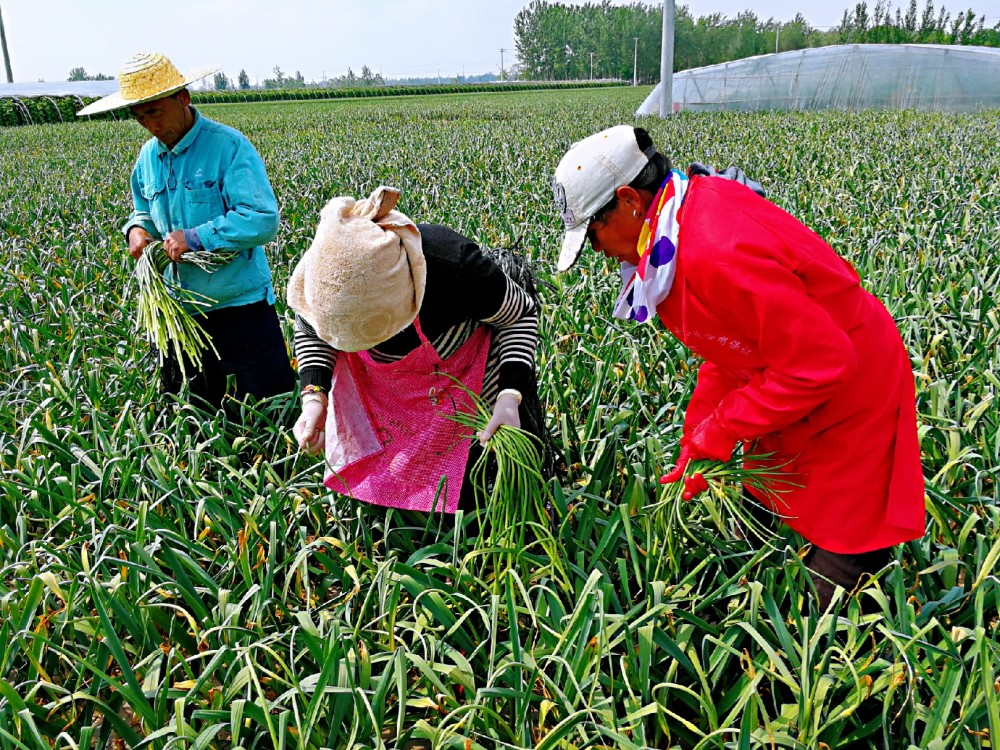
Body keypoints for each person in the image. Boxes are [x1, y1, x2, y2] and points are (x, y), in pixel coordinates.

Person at [551, 125, 925, 608]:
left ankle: (836, 636)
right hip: (783, 375)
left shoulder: (714, 249)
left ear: (628, 200)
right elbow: (728, 348)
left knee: (839, 564)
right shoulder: (673, 236)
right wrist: (698, 432)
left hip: (851, 387)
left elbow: (821, 362)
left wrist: (725, 426)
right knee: (764, 505)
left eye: (593, 234)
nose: (597, 251)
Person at [287, 186, 545, 516]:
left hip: (464, 378)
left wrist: (510, 395)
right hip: (385, 392)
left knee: (476, 484)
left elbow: (520, 316)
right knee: (395, 483)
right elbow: (311, 332)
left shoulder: (453, 267)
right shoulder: (325, 277)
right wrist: (314, 399)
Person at [78, 52, 295, 407]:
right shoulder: (148, 157)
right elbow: (144, 210)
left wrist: (195, 238)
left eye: (155, 112)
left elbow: (261, 219)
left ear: (183, 98)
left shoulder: (228, 147)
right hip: (178, 313)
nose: (150, 125)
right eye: (139, 117)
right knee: (193, 414)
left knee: (269, 410)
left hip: (239, 308)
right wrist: (137, 229)